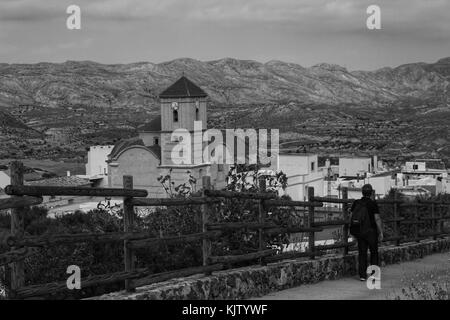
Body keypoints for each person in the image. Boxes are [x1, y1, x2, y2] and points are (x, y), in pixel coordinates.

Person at [350, 184, 384, 281]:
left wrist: (352, 230)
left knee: (362, 253)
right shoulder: (373, 203)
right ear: (371, 192)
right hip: (371, 232)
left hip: (360, 231)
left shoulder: (356, 203)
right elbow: (377, 218)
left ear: (362, 192)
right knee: (374, 253)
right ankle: (374, 275)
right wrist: (380, 232)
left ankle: (362, 275)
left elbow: (351, 217)